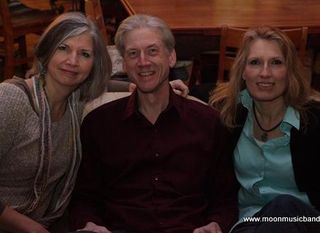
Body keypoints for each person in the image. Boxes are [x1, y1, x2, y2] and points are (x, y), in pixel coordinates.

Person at [0, 12, 188, 233]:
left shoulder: (74, 103)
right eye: (63, 48)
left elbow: (102, 83)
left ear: (93, 64)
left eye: (85, 54)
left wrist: (151, 81)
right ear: (46, 51)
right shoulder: (11, 100)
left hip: (47, 222)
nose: (72, 61)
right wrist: (31, 228)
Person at [69, 14, 237, 233]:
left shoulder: (208, 123)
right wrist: (90, 224)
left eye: (152, 51)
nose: (143, 62)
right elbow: (84, 198)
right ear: (124, 63)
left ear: (171, 57)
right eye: (133, 54)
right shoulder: (98, 124)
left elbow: (226, 198)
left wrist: (216, 224)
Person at [209, 26, 320, 233]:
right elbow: (189, 105)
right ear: (243, 72)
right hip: (249, 225)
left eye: (276, 63)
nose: (265, 73)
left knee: (283, 206)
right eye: (255, 63)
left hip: (311, 223)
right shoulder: (230, 114)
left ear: (290, 71)